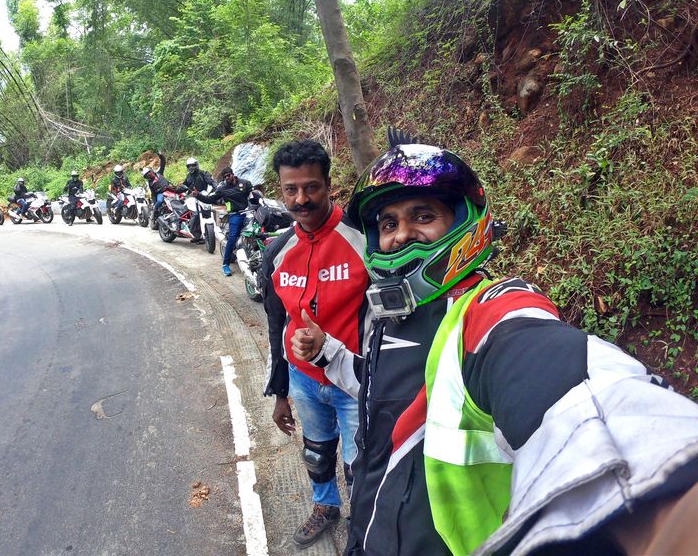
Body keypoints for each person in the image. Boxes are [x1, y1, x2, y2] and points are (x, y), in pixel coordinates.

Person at [290, 134, 698, 556]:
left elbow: (572, 387)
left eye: (422, 215)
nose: (401, 235)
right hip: (370, 532)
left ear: (463, 221)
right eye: (388, 224)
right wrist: (328, 353)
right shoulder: (388, 314)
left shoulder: (487, 311)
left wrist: (667, 495)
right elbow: (379, 391)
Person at [261, 139, 370, 548]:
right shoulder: (278, 250)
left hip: (353, 382)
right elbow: (276, 324)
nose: (301, 200)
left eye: (311, 188)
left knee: (360, 464)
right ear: (280, 190)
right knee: (316, 452)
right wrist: (280, 391)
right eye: (291, 190)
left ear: (329, 185)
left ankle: (363, 521)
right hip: (303, 379)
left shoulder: (364, 241)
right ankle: (325, 506)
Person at [194, 166, 252, 276]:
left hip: (249, 212)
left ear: (233, 174)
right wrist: (198, 196)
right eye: (225, 177)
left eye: (228, 175)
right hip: (235, 215)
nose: (227, 178)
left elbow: (255, 196)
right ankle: (225, 265)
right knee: (233, 236)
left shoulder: (245, 184)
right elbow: (210, 199)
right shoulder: (222, 189)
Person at [141, 153, 176, 227]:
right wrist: (155, 201)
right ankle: (154, 212)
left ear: (151, 171)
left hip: (170, 190)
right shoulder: (150, 183)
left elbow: (163, 163)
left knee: (182, 196)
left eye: (148, 173)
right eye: (146, 176)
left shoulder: (159, 173)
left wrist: (160, 156)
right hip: (160, 193)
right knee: (159, 201)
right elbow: (153, 193)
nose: (149, 175)